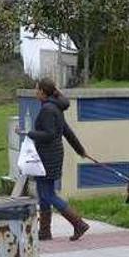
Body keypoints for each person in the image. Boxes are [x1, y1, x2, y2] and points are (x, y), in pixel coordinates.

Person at [18, 78, 90, 241]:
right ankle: (44, 232)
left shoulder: (48, 109)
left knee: (47, 194)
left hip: (47, 156)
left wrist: (28, 132)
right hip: (53, 155)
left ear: (43, 92)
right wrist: (80, 150)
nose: (35, 92)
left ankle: (79, 224)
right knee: (44, 194)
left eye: (37, 90)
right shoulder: (55, 108)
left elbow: (49, 134)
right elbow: (66, 131)